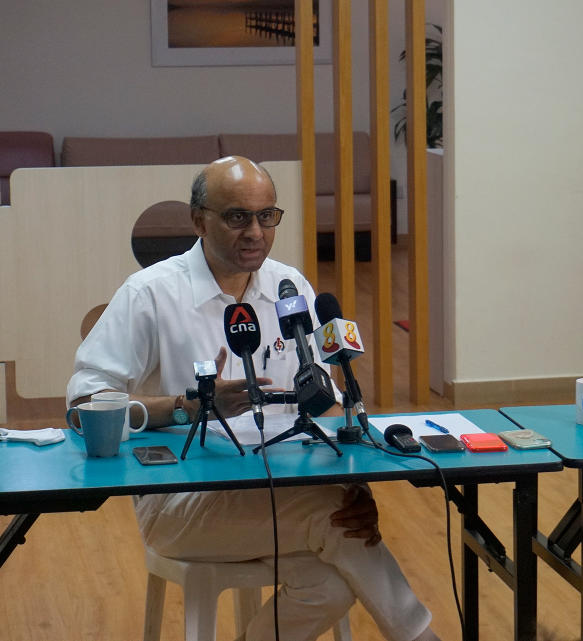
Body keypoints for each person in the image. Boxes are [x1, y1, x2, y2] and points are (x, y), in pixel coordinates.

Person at [67, 156, 441, 641]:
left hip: (284, 487)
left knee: (328, 582)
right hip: (180, 501)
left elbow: (322, 403)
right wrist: (186, 408)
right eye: (237, 217)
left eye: (267, 216)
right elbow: (83, 406)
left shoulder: (292, 290)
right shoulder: (151, 294)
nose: (256, 232)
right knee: (333, 520)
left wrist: (357, 488)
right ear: (199, 219)